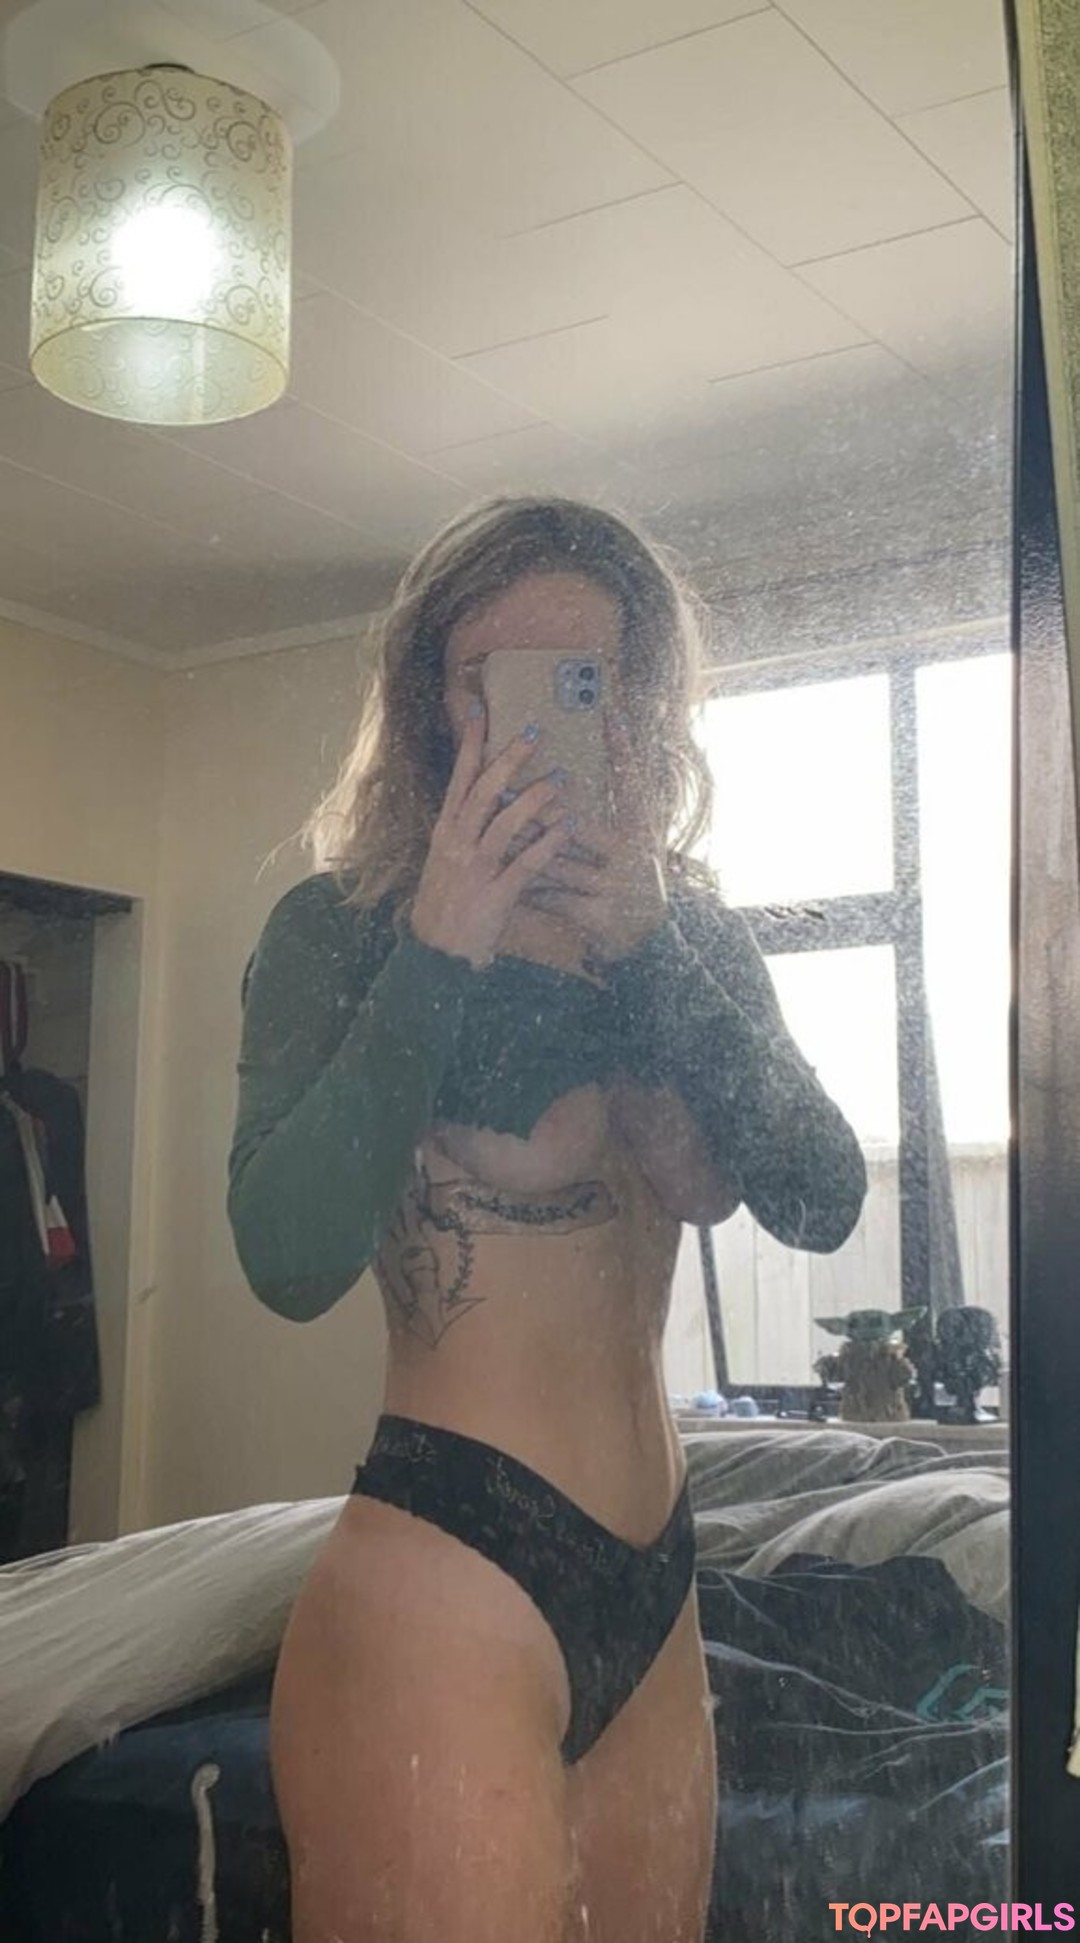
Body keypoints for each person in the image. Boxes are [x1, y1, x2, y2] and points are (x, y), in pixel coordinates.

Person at [227, 496, 867, 1943]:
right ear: (430, 710)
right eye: (490, 683)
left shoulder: (692, 940)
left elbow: (822, 1197)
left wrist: (649, 942)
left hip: (657, 1584)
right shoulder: (340, 932)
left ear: (640, 708)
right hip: (447, 1570)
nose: (531, 724)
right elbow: (286, 1258)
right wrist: (440, 944)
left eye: (583, 682)